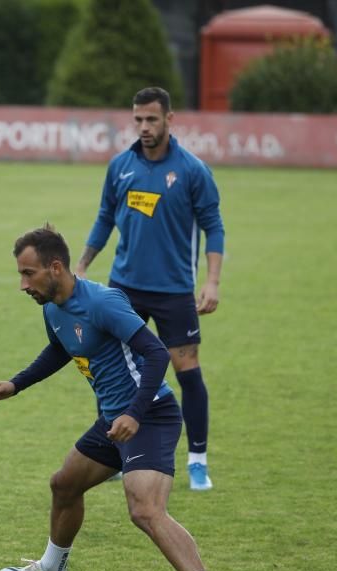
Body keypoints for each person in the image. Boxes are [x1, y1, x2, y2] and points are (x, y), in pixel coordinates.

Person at [0, 224, 231, 571]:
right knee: (64, 484)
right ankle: (52, 568)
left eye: (29, 274)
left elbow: (155, 354)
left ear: (56, 268)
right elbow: (61, 348)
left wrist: (133, 413)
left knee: (145, 509)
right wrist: (15, 384)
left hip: (149, 416)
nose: (22, 284)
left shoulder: (103, 302)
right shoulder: (52, 308)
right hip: (114, 422)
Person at [74, 87, 225, 491]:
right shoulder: (120, 166)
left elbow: (214, 226)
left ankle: (197, 460)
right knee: (113, 373)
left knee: (187, 372)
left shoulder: (192, 170)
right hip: (124, 288)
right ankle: (120, 453)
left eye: (151, 119)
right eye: (138, 119)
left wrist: (211, 281)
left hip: (175, 290)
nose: (144, 127)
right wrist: (83, 265)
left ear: (169, 120)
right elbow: (105, 217)